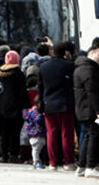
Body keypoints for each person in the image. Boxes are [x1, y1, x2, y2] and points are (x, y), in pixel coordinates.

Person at [37, 41, 76, 171]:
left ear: (52, 51)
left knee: (51, 133)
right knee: (67, 133)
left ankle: (53, 162)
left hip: (49, 103)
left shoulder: (43, 66)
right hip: (65, 103)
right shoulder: (70, 66)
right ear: (65, 52)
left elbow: (40, 87)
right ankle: (68, 161)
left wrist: (41, 103)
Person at [74, 46, 99, 178]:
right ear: (92, 53)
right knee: (94, 135)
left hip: (83, 108)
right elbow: (93, 92)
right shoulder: (90, 70)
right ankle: (90, 166)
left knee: (88, 136)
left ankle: (81, 166)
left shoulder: (80, 68)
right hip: (90, 109)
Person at [0, 50, 30, 163]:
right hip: (16, 107)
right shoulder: (18, 74)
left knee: (4, 132)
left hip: (2, 107)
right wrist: (26, 105)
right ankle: (14, 155)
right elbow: (22, 92)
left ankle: (3, 155)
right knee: (15, 133)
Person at [23, 97, 47, 169]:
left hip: (34, 134)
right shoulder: (36, 112)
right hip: (36, 134)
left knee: (37, 149)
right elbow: (38, 119)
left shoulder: (30, 111)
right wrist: (43, 115)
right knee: (36, 149)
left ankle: (38, 161)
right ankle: (36, 162)